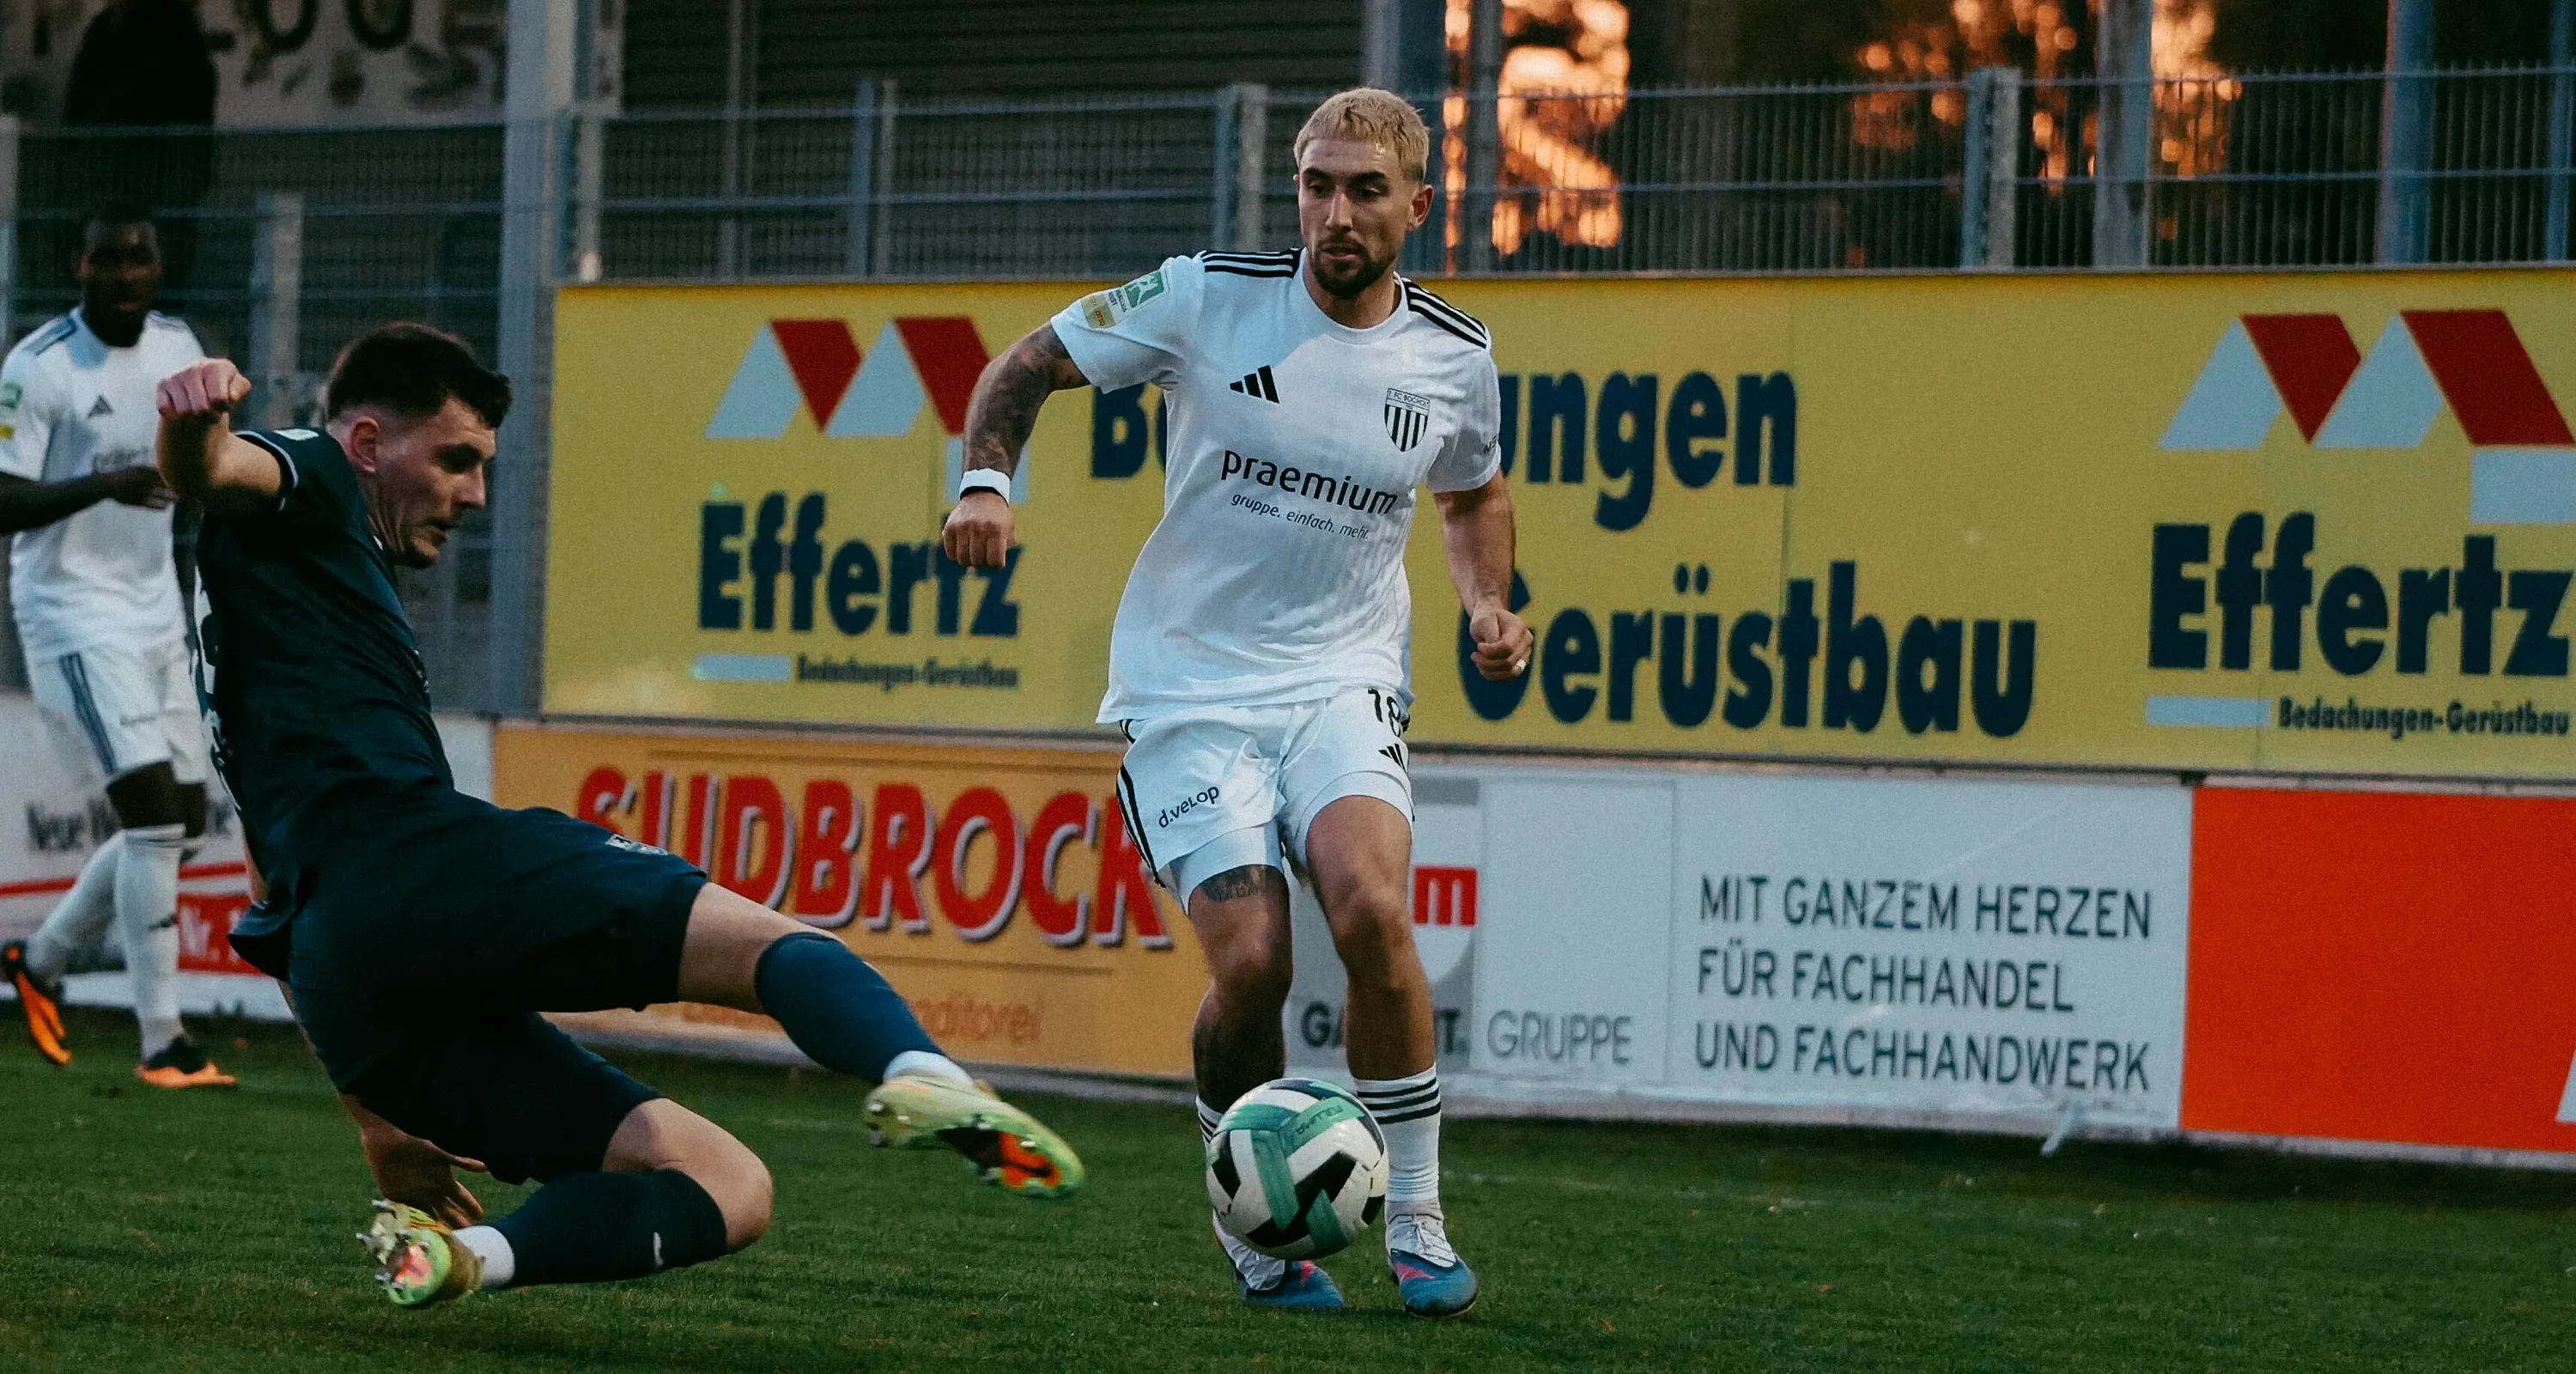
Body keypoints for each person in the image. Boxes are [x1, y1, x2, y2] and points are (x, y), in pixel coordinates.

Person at [154, 323, 1084, 1309]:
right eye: (458, 460)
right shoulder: (317, 468)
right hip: (419, 864)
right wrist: (195, 417)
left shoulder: (278, 608)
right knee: (774, 946)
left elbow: (272, 886)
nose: (473, 494)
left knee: (728, 1186)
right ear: (373, 443)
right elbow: (214, 468)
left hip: (340, 964)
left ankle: (466, 1258)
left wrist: (378, 1117)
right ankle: (921, 1069)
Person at [940, 88, 1533, 1318]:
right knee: (1255, 960)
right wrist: (986, 482)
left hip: (1343, 680)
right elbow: (1027, 364)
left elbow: (1471, 496)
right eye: (1316, 184)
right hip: (1188, 686)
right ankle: (1253, 1223)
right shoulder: (1203, 295)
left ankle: (1417, 1218)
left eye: (1365, 190)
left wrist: (1489, 601)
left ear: (1419, 207)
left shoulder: (1454, 354)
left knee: (1372, 911)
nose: (1334, 212)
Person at [0, 204, 234, 1089]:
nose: (127, 274)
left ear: (159, 268)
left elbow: (208, 451)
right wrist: (103, 483)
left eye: (140, 259)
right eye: (110, 260)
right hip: (69, 613)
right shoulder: (40, 366)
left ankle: (44, 962)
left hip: (154, 612)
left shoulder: (179, 346)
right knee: (147, 813)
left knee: (184, 823)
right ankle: (163, 1040)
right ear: (80, 265)